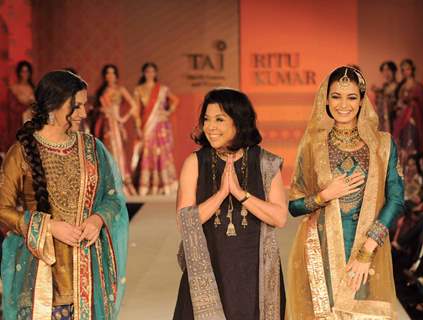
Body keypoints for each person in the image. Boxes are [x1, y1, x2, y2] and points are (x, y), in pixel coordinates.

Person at [0, 70, 128, 319]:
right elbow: (2, 208)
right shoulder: (21, 152)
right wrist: (48, 227)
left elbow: (113, 197)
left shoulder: (92, 147)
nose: (83, 112)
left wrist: (98, 218)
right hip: (40, 272)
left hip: (87, 271)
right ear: (53, 105)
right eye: (76, 106)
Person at [286, 66, 404, 319]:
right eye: (336, 96)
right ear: (326, 99)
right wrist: (324, 195)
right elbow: (294, 206)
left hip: (367, 248)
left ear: (362, 100)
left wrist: (366, 250)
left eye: (351, 97)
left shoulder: (382, 144)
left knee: (361, 312)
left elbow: (396, 200)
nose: (343, 104)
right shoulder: (313, 144)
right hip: (321, 248)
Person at [173, 88, 287, 319]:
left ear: (239, 122)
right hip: (208, 267)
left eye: (219, 119)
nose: (210, 127)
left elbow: (280, 217)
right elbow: (184, 221)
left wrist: (240, 193)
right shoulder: (195, 162)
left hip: (254, 274)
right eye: (206, 119)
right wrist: (221, 194)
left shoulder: (266, 163)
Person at [133, 62, 179, 196]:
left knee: (162, 153)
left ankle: (164, 184)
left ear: (155, 73)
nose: (150, 74)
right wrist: (138, 127)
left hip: (160, 126)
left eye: (152, 71)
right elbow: (136, 111)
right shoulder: (139, 89)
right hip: (147, 126)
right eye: (147, 71)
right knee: (148, 153)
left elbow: (175, 100)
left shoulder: (162, 89)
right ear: (143, 73)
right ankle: (148, 185)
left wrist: (167, 112)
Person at [94, 64, 140, 195]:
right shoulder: (101, 91)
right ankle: (109, 185)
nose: (110, 76)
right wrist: (101, 111)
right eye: (107, 73)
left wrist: (122, 119)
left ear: (116, 75)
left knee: (118, 151)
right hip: (105, 125)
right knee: (106, 151)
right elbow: (97, 108)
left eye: (112, 73)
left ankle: (121, 184)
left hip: (115, 125)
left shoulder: (120, 89)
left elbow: (133, 105)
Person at [392, 59, 423, 165]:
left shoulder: (417, 85)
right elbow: (399, 101)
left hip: (413, 117)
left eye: (408, 69)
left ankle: (412, 165)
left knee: (411, 139)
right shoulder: (401, 86)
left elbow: (421, 102)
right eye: (403, 70)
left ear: (412, 70)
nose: (406, 72)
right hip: (401, 117)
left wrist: (410, 105)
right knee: (401, 140)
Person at [6, 61, 35, 148]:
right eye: (23, 71)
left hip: (32, 119)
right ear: (19, 73)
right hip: (19, 120)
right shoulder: (14, 88)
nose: (25, 74)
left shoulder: (33, 88)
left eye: (27, 71)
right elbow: (12, 107)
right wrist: (26, 107)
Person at [372, 61, 398, 133]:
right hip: (383, 119)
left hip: (393, 118)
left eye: (388, 70)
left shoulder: (398, 86)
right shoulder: (383, 87)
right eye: (383, 70)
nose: (386, 73)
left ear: (394, 71)